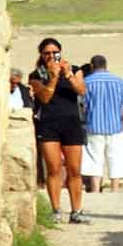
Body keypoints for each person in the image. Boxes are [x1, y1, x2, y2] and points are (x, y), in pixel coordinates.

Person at [26, 38, 89, 224]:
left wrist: (67, 74)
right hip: (49, 124)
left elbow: (82, 90)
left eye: (55, 52)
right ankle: (56, 210)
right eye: (47, 53)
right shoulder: (36, 75)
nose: (51, 56)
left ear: (61, 52)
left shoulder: (75, 70)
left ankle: (76, 211)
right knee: (54, 168)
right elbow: (44, 98)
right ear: (41, 55)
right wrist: (53, 77)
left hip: (72, 123)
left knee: (74, 169)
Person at [81, 54, 123, 193]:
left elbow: (83, 106)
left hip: (93, 125)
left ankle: (95, 189)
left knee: (94, 158)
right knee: (116, 158)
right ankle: (114, 188)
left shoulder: (87, 82)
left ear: (92, 66)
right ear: (105, 65)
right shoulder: (119, 81)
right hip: (116, 126)